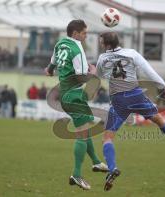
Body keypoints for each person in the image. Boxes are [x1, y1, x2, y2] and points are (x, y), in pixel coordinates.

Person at [94, 32, 165, 191]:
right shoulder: (131, 53)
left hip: (118, 99)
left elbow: (100, 75)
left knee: (108, 138)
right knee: (158, 119)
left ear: (106, 44)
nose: (101, 44)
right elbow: (148, 70)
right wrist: (164, 87)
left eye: (101, 42)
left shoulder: (102, 58)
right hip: (135, 94)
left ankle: (112, 168)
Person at [44, 19, 108, 190]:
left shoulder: (60, 44)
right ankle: (76, 175)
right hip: (74, 95)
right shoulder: (77, 47)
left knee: (85, 127)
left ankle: (95, 162)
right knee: (83, 134)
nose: (86, 36)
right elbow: (81, 76)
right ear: (76, 33)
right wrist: (93, 73)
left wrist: (50, 70)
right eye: (84, 33)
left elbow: (52, 65)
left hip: (64, 95)